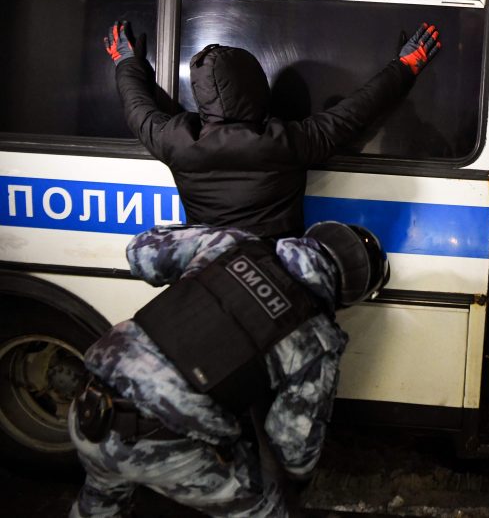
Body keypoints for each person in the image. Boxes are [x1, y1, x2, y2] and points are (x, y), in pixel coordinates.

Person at [68, 220, 389, 517]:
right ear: (348, 294)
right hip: (157, 447)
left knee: (102, 494)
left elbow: (141, 252)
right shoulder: (317, 339)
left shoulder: (232, 243)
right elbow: (294, 450)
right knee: (269, 510)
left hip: (89, 407)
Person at [103, 20, 441, 238]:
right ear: (256, 87)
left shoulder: (176, 140)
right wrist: (406, 66)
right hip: (274, 280)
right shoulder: (285, 142)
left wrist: (126, 62)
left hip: (205, 275)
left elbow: (137, 109)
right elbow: (355, 112)